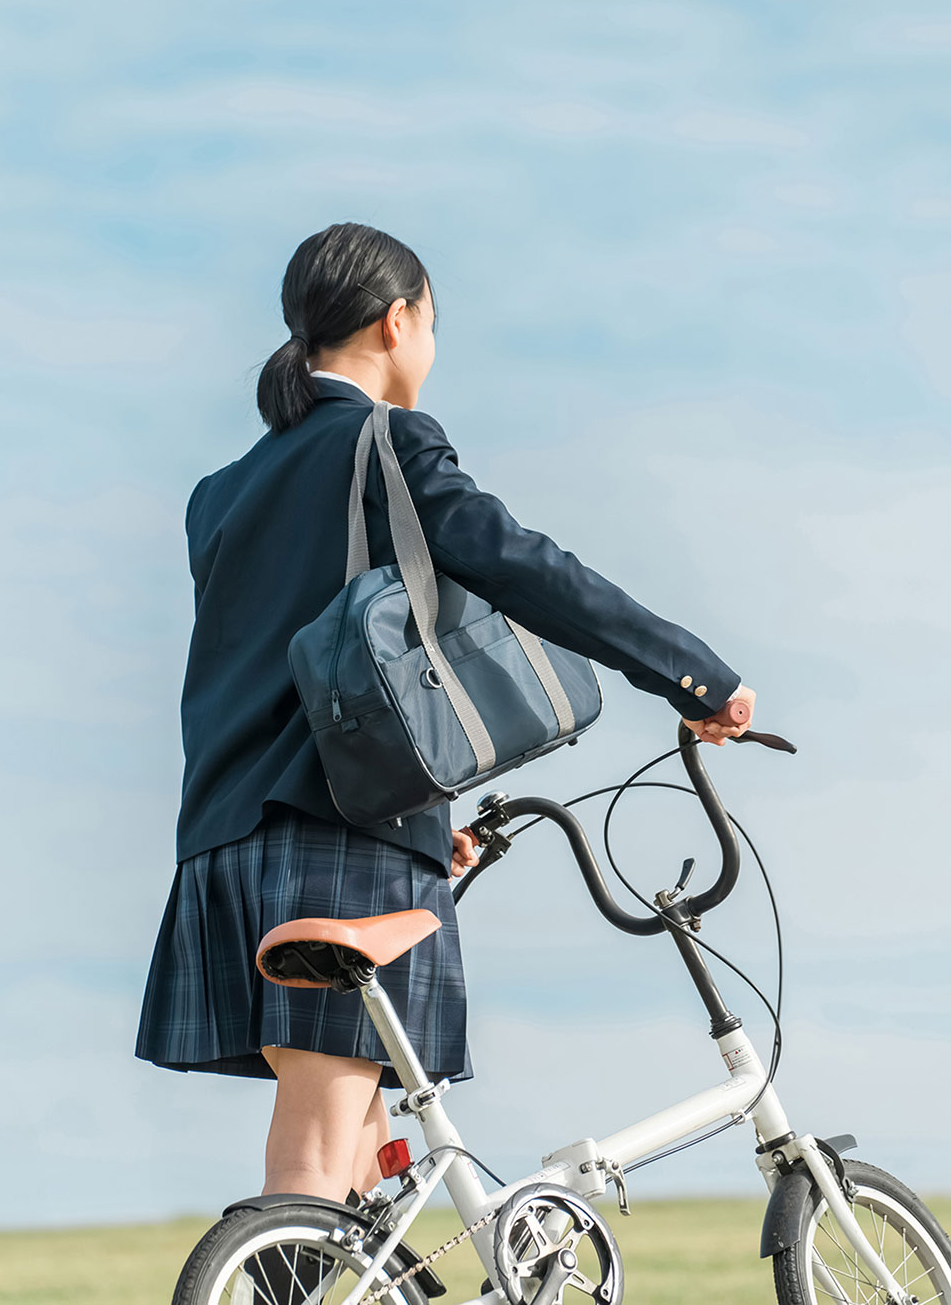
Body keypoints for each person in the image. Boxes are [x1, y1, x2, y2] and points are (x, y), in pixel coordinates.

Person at [135, 222, 756, 1205]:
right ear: (399, 320)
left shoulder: (218, 493)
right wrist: (688, 673)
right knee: (313, 1152)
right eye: (431, 322)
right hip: (330, 842)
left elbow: (273, 672)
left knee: (357, 1177)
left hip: (224, 844)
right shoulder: (386, 439)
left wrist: (425, 822)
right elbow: (521, 566)